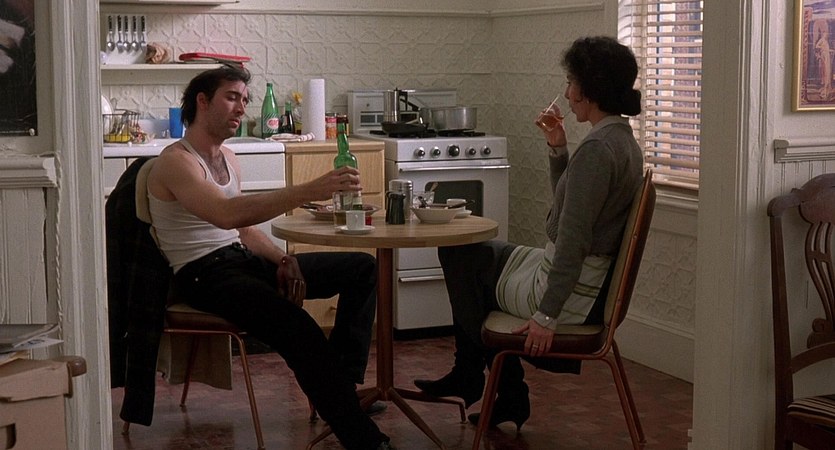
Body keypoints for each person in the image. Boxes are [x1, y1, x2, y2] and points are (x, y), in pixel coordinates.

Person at [146, 66, 394, 450]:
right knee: (299, 327)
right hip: (203, 275)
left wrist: (281, 258)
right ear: (202, 101)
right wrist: (309, 189)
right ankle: (364, 440)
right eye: (232, 97)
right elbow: (226, 215)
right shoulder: (176, 161)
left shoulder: (229, 158)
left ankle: (341, 391)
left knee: (361, 268)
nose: (241, 108)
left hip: (240, 260)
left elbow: (243, 230)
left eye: (244, 100)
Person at [413, 36, 645, 430]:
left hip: (569, 292)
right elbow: (572, 209)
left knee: (463, 264)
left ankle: (489, 383)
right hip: (585, 279)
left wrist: (547, 314)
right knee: (468, 251)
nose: (567, 94)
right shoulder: (620, 140)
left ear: (589, 90)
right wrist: (558, 149)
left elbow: (572, 239)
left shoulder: (597, 151)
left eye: (571, 83)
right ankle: (487, 384)